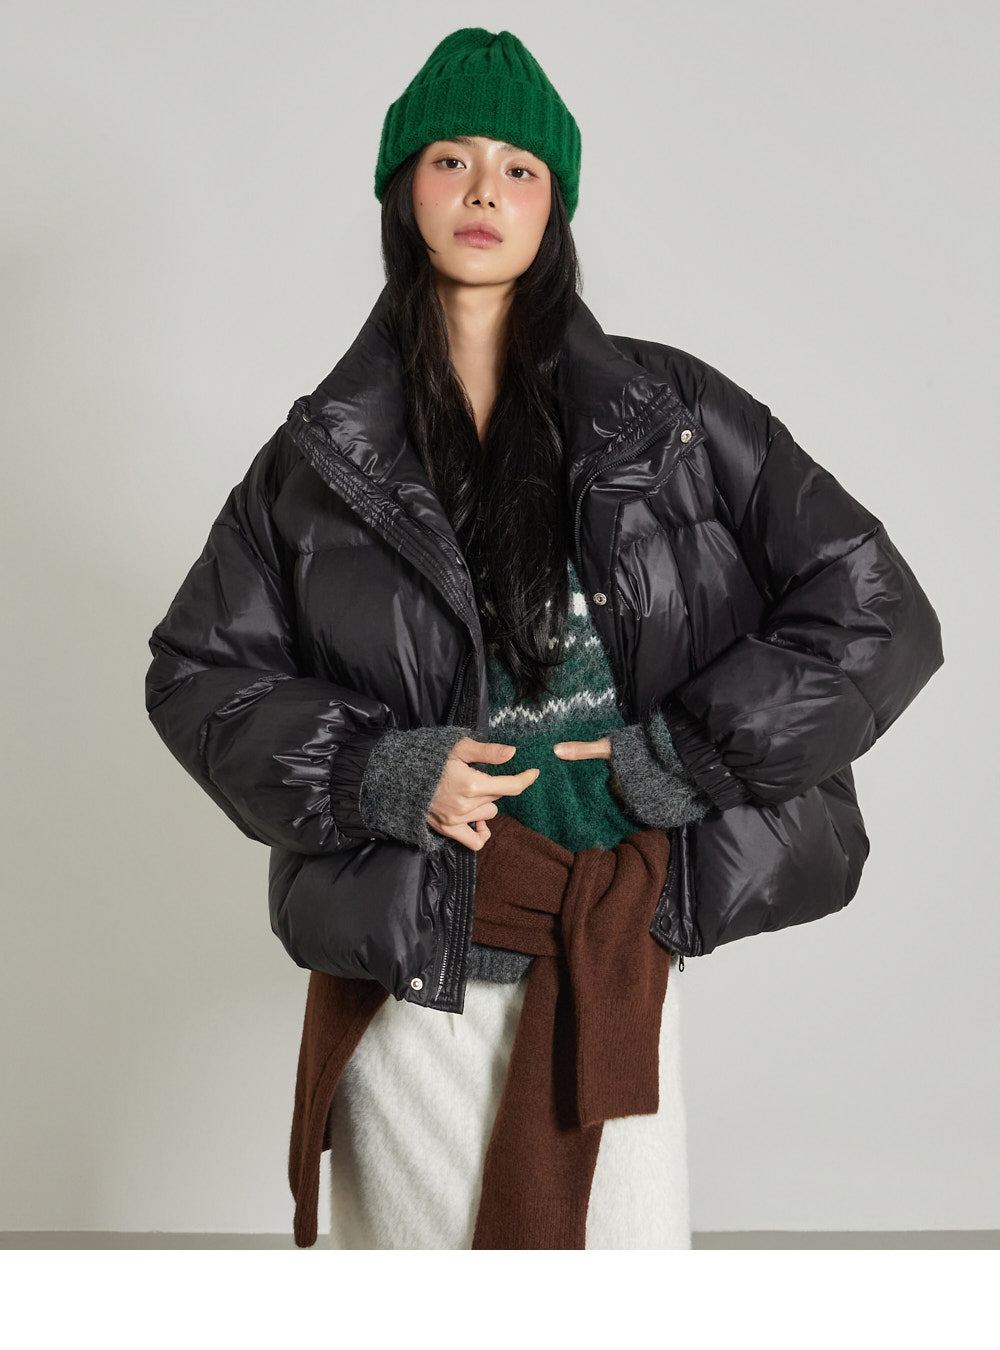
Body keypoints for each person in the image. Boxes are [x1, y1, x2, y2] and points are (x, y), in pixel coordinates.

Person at [144, 28, 944, 1250]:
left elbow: (876, 606)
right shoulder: (316, 461)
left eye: (518, 169)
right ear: (402, 189)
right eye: (451, 160)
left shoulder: (671, 414)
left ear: (553, 206)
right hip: (417, 965)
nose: (483, 191)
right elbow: (199, 675)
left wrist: (688, 756)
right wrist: (376, 771)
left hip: (613, 939)